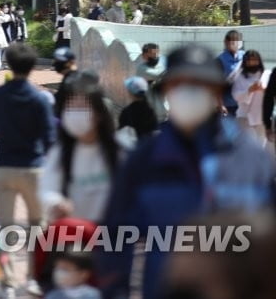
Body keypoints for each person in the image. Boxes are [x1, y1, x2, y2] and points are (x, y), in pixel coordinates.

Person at [97, 44, 276, 299]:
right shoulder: (144, 161)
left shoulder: (251, 158)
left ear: (215, 91)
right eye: (179, 83)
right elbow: (115, 238)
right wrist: (115, 290)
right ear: (167, 90)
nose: (188, 91)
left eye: (199, 83)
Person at [0, 44, 56, 297]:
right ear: (33, 67)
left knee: (3, 227)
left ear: (9, 64)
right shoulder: (39, 99)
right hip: (34, 169)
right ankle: (34, 277)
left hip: (3, 168)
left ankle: (8, 282)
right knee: (39, 227)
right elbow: (49, 139)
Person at [41, 72, 123, 224]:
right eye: (70, 107)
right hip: (75, 235)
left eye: (82, 107)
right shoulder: (60, 152)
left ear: (99, 113)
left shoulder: (120, 150)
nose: (75, 113)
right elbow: (47, 187)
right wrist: (57, 203)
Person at [228, 49, 270, 144]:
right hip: (244, 115)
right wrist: (250, 90)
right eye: (249, 60)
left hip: (261, 116)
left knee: (261, 145)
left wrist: (263, 89)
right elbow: (236, 96)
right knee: (245, 145)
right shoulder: (239, 77)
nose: (252, 62)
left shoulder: (266, 74)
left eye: (255, 60)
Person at [216, 29, 245, 116]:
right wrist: (220, 104)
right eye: (229, 41)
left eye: (235, 41)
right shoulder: (220, 60)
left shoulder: (246, 56)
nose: (232, 44)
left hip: (245, 104)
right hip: (228, 105)